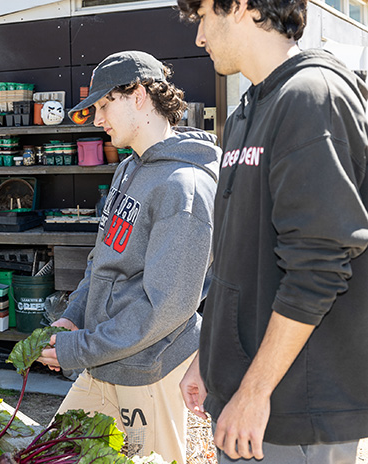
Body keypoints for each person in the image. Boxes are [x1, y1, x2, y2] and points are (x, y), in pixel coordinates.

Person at [175, 0, 368, 461]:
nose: (198, 37)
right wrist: (210, 356)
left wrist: (254, 391)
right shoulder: (249, 108)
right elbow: (238, 256)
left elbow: (318, 266)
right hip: (250, 401)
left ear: (239, 7)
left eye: (202, 16)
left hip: (293, 412)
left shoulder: (311, 97)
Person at [36, 51, 220, 464]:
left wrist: (78, 348)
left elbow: (166, 306)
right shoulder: (128, 168)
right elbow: (102, 261)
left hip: (149, 369)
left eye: (104, 105)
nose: (98, 118)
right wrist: (75, 314)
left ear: (137, 95)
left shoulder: (183, 185)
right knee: (55, 453)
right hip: (104, 361)